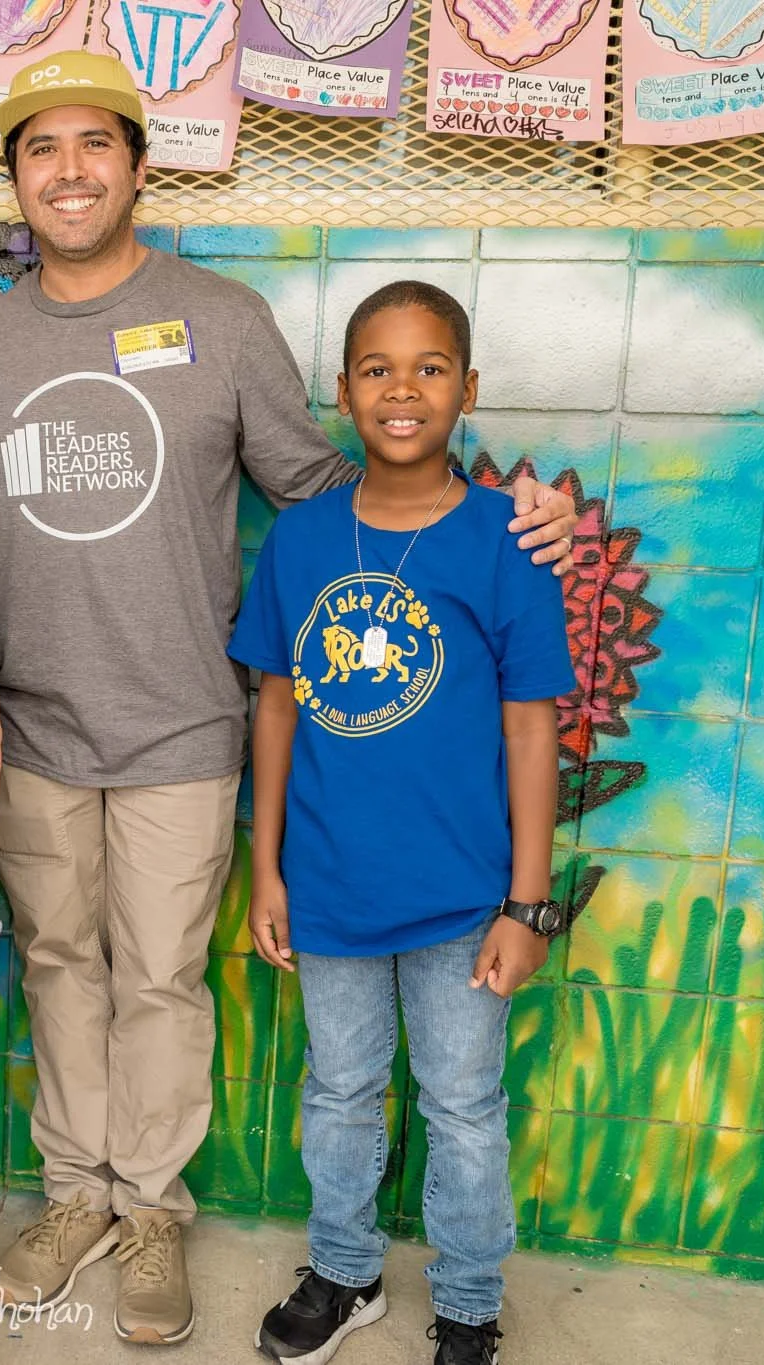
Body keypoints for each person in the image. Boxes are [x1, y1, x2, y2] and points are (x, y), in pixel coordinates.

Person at [0, 52, 581, 1345]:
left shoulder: (224, 320)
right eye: (41, 149)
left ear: (138, 163)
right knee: (62, 964)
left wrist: (521, 512)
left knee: (164, 981)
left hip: (186, 722)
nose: (69, 171)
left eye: (94, 146)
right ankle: (77, 1192)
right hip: (36, 728)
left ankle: (155, 1214)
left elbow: (327, 487)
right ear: (15, 175)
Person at [232, 282, 575, 1365]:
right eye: (376, 368)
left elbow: (532, 732)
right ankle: (342, 1271)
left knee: (463, 1104)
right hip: (328, 886)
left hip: (464, 899)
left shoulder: (504, 540)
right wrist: (267, 869)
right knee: (337, 1089)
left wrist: (526, 902)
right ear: (340, 392)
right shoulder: (299, 539)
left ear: (466, 390)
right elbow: (276, 704)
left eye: (429, 368)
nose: (401, 389)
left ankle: (469, 1300)